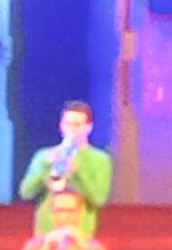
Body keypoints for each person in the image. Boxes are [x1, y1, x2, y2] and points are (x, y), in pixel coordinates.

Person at [19, 100, 113, 236]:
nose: (71, 129)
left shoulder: (100, 159)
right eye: (67, 124)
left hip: (80, 233)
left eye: (77, 125)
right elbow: (26, 192)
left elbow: (99, 199)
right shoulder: (44, 155)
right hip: (46, 231)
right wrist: (46, 166)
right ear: (61, 125)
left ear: (89, 127)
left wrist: (78, 172)